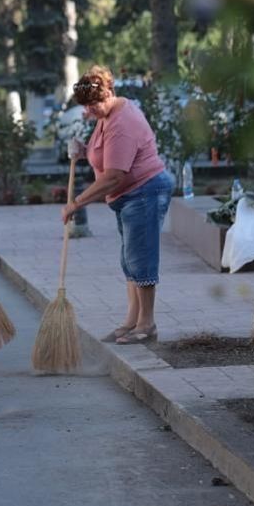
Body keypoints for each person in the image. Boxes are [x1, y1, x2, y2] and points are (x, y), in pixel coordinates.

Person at [61, 65, 174, 345]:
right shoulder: (108, 115)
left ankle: (147, 325)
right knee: (129, 259)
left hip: (144, 192)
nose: (89, 111)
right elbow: (104, 154)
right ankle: (131, 321)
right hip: (129, 197)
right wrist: (83, 149)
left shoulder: (123, 122)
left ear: (109, 92)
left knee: (141, 259)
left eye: (93, 105)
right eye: (86, 106)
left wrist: (77, 203)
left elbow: (114, 176)